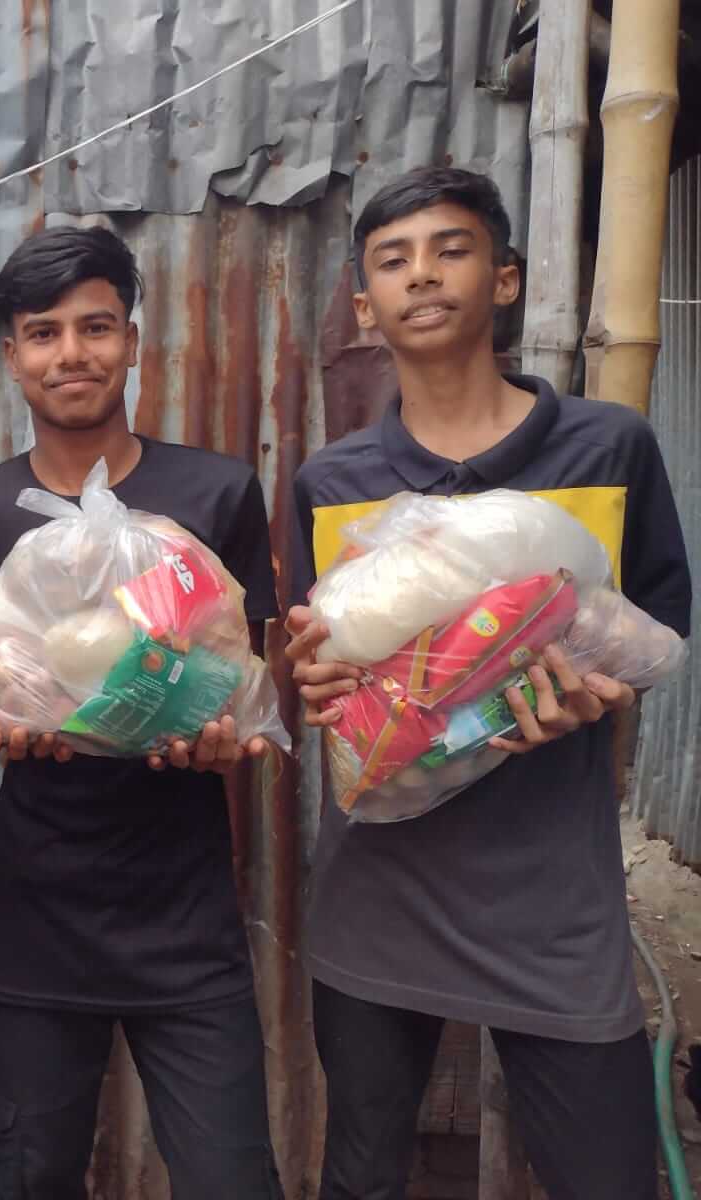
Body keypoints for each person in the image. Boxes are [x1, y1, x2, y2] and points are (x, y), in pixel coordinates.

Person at [283, 165, 693, 1199]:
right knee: (362, 1174)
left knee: (604, 1177)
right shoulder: (331, 482)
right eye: (392, 260)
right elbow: (321, 680)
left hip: (552, 896)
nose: (421, 275)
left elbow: (654, 636)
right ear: (365, 307)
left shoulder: (607, 449)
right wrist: (307, 680)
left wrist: (607, 696)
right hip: (378, 889)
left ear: (504, 279)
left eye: (449, 249)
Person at [0, 225, 285, 1199]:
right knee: (33, 1174)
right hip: (39, 911)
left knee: (231, 1176)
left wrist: (221, 744)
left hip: (185, 912)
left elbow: (240, 683)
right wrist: (2, 731)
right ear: (11, 357)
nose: (71, 353)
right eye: (43, 333)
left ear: (132, 341)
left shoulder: (213, 492)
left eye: (95, 327)